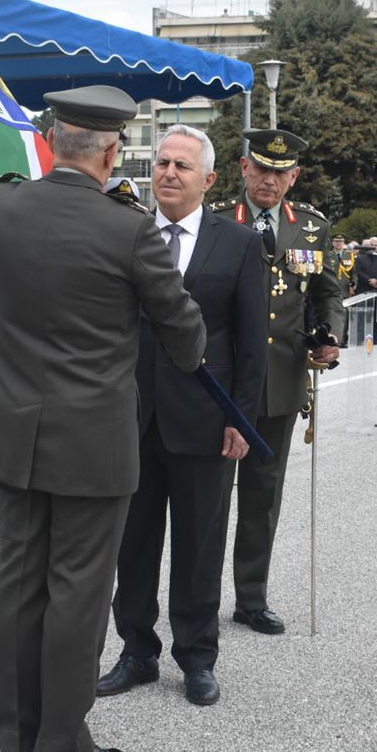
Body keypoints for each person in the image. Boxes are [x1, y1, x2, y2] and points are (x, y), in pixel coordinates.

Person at [0, 86, 206, 752]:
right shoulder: (128, 228)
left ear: (50, 141)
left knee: (18, 589)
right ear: (111, 152)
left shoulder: (2, 205)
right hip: (93, 447)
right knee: (76, 596)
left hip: (16, 435)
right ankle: (60, 747)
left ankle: (20, 743)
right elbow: (185, 337)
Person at [99, 125, 266, 707]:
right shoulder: (127, 232)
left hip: (205, 422)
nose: (168, 173)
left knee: (200, 546)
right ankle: (136, 651)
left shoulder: (238, 244)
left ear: (209, 179)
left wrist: (241, 420)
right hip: (133, 417)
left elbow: (251, 343)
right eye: (162, 162)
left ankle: (197, 657)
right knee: (133, 544)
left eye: (182, 166)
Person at [211, 127, 343, 635]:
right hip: (221, 379)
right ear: (245, 168)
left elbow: (329, 291)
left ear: (294, 178)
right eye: (262, 169)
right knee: (210, 496)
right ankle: (200, 598)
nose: (269, 180)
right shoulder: (218, 220)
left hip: (281, 377)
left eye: (280, 173)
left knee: (263, 497)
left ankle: (251, 598)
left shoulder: (311, 227)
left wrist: (331, 334)